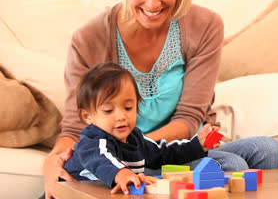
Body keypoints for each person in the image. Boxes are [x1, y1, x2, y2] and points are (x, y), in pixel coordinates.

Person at [42, 0, 278, 198]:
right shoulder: (87, 38)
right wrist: (53, 160)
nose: (152, 3)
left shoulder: (205, 25)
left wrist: (144, 147)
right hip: (119, 160)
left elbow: (190, 117)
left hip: (162, 150)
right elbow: (76, 126)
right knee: (230, 166)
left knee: (269, 150)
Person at [63, 62, 218, 194]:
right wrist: (123, 174)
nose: (121, 116)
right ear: (87, 116)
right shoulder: (92, 141)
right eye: (109, 111)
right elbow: (101, 159)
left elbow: (163, 154)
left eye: (128, 107)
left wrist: (196, 144)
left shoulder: (136, 139)